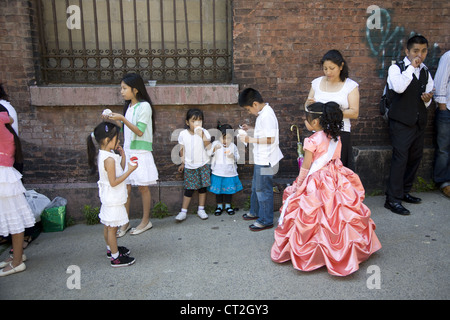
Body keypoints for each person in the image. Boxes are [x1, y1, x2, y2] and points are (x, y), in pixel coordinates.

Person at [271, 102, 381, 276]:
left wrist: (298, 185)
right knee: (339, 215)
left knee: (314, 215)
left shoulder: (312, 140)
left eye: (306, 120)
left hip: (317, 181)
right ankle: (342, 250)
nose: (305, 122)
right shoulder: (335, 137)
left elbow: (306, 168)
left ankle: (316, 254)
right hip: (337, 178)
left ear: (315, 122)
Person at [384, 35, 434, 215]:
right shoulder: (396, 68)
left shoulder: (426, 71)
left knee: (415, 158)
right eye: (415, 51)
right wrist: (411, 68)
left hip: (418, 122)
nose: (419, 55)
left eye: (423, 51)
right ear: (407, 51)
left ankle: (405, 192)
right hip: (400, 123)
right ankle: (392, 199)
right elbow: (398, 87)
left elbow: (428, 94)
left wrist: (427, 99)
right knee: (400, 160)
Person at [107, 73, 158, 236]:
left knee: (143, 187)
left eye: (124, 88)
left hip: (140, 152)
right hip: (129, 151)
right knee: (126, 188)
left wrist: (121, 117)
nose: (121, 91)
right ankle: (125, 222)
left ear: (135, 90)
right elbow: (126, 129)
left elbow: (140, 131)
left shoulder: (144, 106)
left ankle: (145, 221)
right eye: (121, 88)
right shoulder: (128, 107)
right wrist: (115, 119)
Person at [87, 122, 137, 267]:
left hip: (110, 197)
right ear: (107, 140)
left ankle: (111, 249)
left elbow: (118, 171)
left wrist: (123, 155)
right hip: (113, 198)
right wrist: (131, 171)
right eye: (117, 138)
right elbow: (114, 181)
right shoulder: (108, 159)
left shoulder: (107, 155)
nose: (119, 141)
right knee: (112, 228)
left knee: (108, 225)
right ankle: (116, 258)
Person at [305, 50, 359, 170]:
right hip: (319, 133)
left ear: (341, 66)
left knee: (338, 171)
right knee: (318, 171)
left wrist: (331, 113)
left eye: (332, 68)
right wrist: (308, 105)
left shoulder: (350, 86)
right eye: (325, 68)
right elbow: (308, 105)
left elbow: (354, 112)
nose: (328, 72)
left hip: (340, 132)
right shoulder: (316, 83)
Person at [238, 88, 283, 231]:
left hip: (266, 159)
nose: (249, 112)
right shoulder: (263, 114)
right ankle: (255, 212)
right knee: (257, 188)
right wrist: (251, 129)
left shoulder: (267, 116)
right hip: (261, 158)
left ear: (255, 104)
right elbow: (264, 133)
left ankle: (266, 220)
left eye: (248, 109)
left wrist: (249, 139)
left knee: (263, 190)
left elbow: (271, 138)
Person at [0, 104, 35, 276]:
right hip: (6, 177)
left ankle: (17, 261)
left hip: (4, 178)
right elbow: (9, 118)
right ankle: (17, 256)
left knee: (14, 220)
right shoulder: (5, 124)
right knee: (13, 219)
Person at [176, 108, 212, 221]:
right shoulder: (183, 134)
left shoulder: (205, 132)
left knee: (202, 188)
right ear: (187, 122)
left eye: (199, 121)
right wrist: (182, 163)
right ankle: (183, 211)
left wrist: (202, 135)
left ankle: (201, 209)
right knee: (189, 189)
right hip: (190, 166)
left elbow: (209, 147)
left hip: (203, 164)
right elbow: (182, 150)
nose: (197, 124)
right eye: (193, 121)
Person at [207, 122, 243, 215]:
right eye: (223, 138)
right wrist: (214, 149)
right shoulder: (215, 144)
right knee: (218, 191)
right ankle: (219, 206)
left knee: (228, 191)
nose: (225, 140)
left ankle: (228, 206)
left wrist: (233, 156)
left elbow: (238, 158)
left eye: (228, 138)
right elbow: (208, 154)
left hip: (230, 173)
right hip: (218, 172)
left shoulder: (233, 146)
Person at [433, 50, 450, 198]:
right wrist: (442, 107)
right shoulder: (448, 56)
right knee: (443, 148)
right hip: (448, 109)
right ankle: (444, 182)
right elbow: (440, 82)